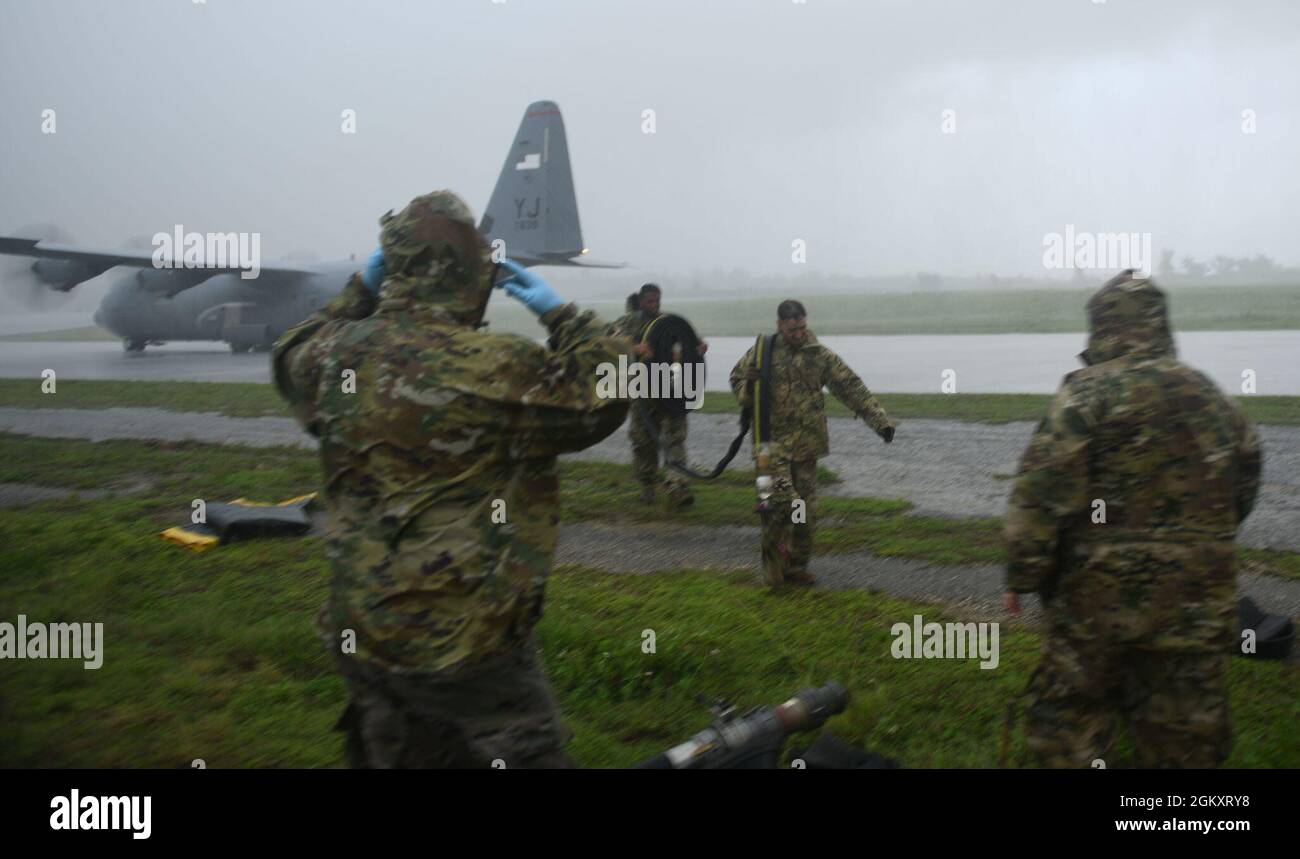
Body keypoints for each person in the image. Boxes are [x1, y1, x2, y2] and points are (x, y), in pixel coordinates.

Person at [272, 191, 631, 768]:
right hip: (465, 644)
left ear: (393, 267)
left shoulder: (331, 357)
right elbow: (606, 388)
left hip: (364, 628)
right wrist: (561, 315)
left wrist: (357, 293)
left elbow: (289, 351)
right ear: (475, 273)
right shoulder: (488, 364)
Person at [1003, 270, 1262, 768]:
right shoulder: (1211, 396)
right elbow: (1244, 477)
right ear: (1160, 325)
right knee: (1186, 733)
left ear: (1100, 327)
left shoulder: (1086, 394)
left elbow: (1040, 494)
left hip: (1097, 605)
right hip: (1196, 603)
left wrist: (1024, 574)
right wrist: (1204, 538)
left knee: (1070, 719)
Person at [730, 299, 895, 588]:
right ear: (780, 325)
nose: (798, 333)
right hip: (768, 445)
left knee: (804, 512)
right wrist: (750, 386)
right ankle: (773, 572)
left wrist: (880, 421)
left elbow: (850, 387)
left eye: (802, 327)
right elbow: (737, 384)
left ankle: (796, 566)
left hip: (806, 447)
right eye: (793, 329)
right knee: (776, 504)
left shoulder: (820, 355)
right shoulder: (762, 352)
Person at [616, 282, 707, 508]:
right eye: (649, 301)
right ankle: (648, 488)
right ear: (640, 300)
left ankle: (677, 488)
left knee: (675, 439)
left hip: (671, 391)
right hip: (642, 393)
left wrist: (697, 349)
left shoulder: (668, 323)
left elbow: (688, 342)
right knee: (643, 442)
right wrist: (634, 348)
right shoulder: (628, 323)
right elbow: (610, 343)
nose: (654, 305)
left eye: (657, 301)